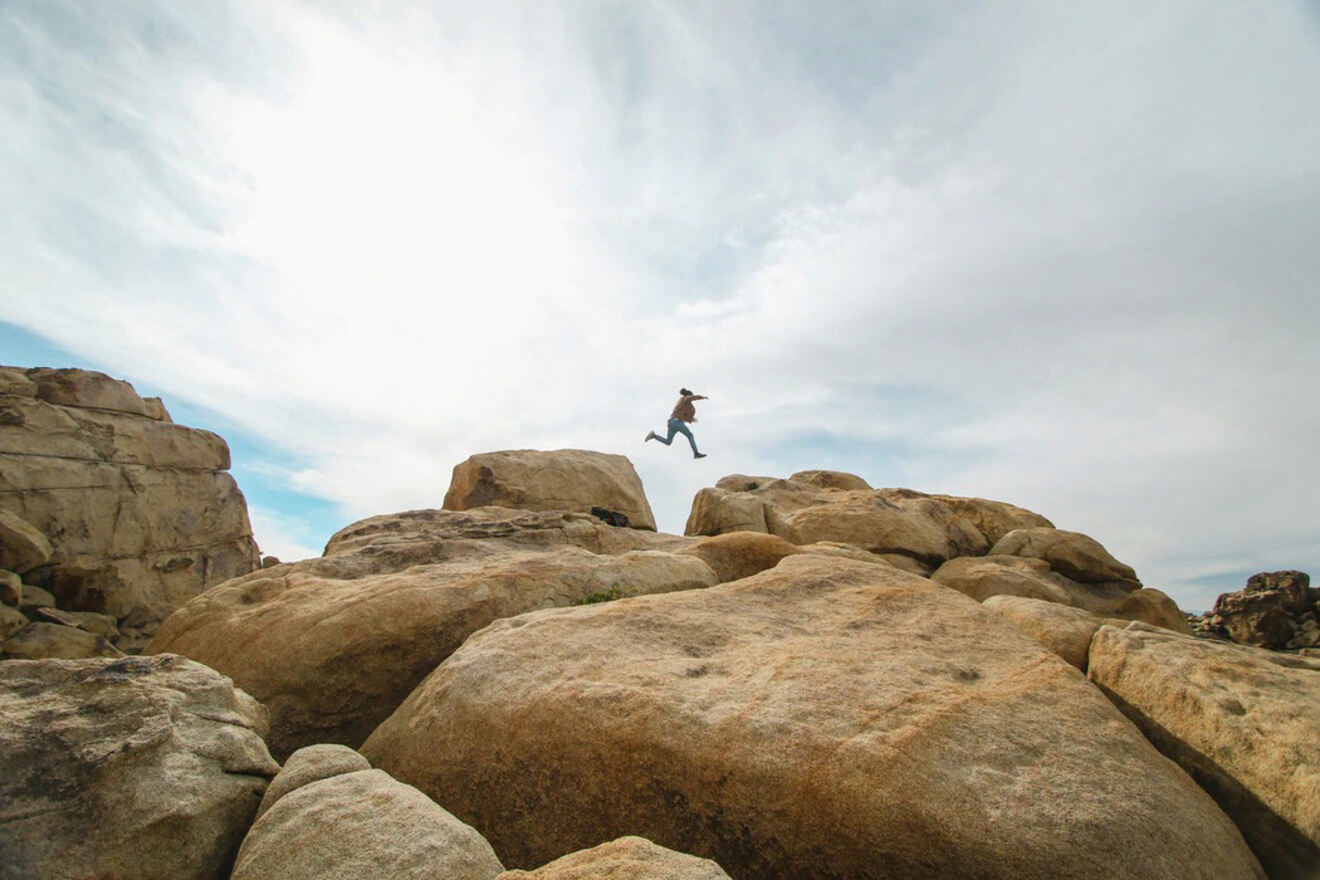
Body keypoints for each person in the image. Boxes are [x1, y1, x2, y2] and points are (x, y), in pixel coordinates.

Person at [646, 388, 708, 459]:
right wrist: (702, 397)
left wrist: (692, 419)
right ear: (689, 395)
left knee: (668, 442)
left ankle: (654, 436)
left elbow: (682, 415)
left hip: (671, 422)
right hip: (677, 422)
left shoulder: (682, 403)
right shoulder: (685, 398)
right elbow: (690, 398)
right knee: (690, 436)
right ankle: (696, 453)